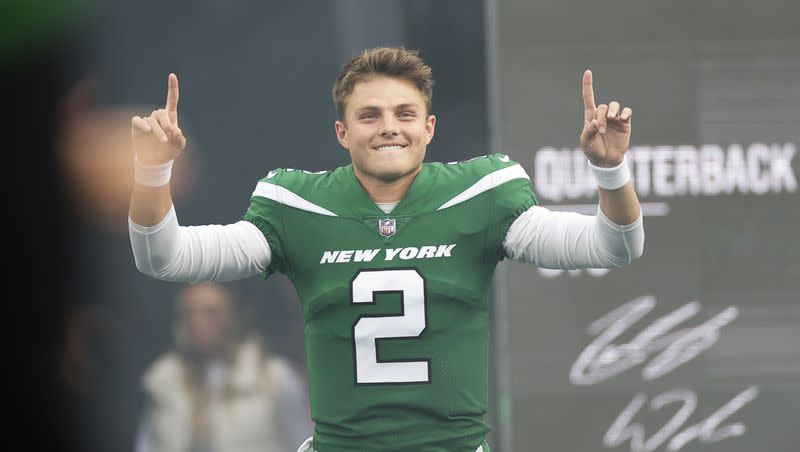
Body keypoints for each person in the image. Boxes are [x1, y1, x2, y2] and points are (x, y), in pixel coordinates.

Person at [128, 47, 644, 452]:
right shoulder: (297, 206)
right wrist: (153, 171)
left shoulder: (481, 194)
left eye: (405, 113)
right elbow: (165, 257)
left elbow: (612, 245)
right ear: (342, 131)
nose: (390, 127)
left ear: (429, 127)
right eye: (369, 115)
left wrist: (609, 169)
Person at [136, 282, 312, 452]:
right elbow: (147, 444)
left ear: (234, 315)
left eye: (211, 313)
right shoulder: (164, 381)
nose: (197, 322)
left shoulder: (274, 377)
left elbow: (304, 441)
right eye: (188, 313)